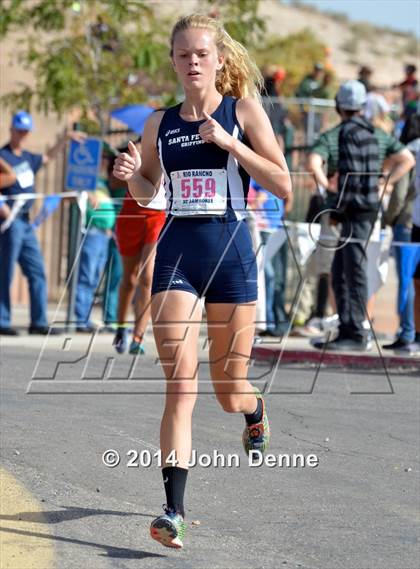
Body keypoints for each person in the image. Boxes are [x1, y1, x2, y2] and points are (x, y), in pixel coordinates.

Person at [113, 13, 291, 548]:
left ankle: (253, 409)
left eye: (201, 53)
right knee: (180, 383)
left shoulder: (242, 112)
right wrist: (132, 178)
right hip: (178, 255)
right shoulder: (158, 124)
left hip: (231, 255)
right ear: (173, 61)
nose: (192, 61)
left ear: (218, 60)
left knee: (227, 390)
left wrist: (231, 144)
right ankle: (173, 511)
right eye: (183, 54)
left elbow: (283, 184)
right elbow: (152, 194)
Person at [308, 80, 414, 351]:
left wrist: (326, 188)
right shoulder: (375, 133)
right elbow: (406, 158)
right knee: (344, 267)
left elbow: (314, 162)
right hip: (367, 209)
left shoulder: (338, 134)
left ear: (338, 105)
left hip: (348, 210)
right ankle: (348, 329)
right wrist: (385, 184)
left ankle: (354, 333)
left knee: (351, 268)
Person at [0, 111, 84, 335]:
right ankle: (2, 320)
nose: (23, 135)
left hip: (26, 223)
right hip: (9, 221)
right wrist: (3, 209)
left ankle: (38, 321)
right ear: (11, 130)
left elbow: (47, 158)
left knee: (37, 270)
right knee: (5, 272)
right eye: (19, 130)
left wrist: (64, 140)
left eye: (26, 131)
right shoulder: (2, 155)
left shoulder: (28, 157)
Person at [113, 139, 166, 355]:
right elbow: (114, 182)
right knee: (129, 279)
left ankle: (138, 336)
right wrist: (126, 169)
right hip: (130, 215)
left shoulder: (169, 148)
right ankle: (120, 327)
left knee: (147, 276)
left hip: (157, 216)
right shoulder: (132, 148)